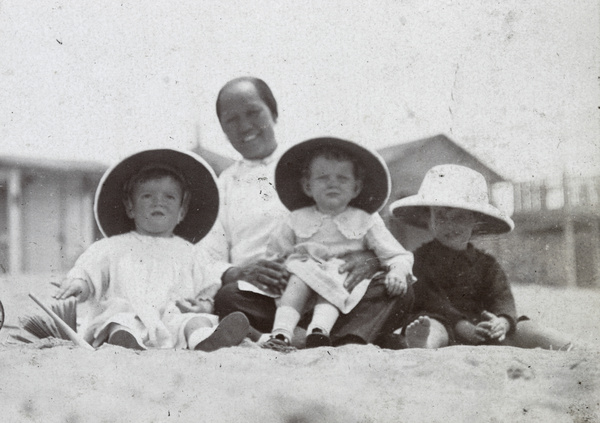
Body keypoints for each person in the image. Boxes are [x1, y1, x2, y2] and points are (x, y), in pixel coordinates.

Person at [199, 77, 414, 346]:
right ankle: (337, 336)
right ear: (222, 129)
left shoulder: (312, 165)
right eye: (232, 119)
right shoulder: (222, 187)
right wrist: (239, 273)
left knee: (399, 291)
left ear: (273, 113)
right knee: (228, 297)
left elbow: (368, 228)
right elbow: (209, 259)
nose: (245, 126)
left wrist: (370, 260)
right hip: (273, 294)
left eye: (254, 112)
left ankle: (323, 338)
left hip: (341, 283)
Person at [53, 148, 250, 351]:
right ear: (130, 207)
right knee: (120, 321)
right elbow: (89, 270)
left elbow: (207, 285)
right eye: (147, 196)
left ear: (182, 211)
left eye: (170, 197)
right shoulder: (112, 247)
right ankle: (123, 342)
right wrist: (80, 284)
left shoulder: (191, 253)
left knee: (195, 321)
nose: (158, 202)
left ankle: (203, 340)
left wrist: (203, 304)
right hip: (130, 314)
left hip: (173, 318)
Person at [389, 164, 573, 350]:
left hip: (484, 327)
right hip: (446, 323)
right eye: (441, 216)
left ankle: (568, 345)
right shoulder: (419, 259)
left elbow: (502, 297)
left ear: (475, 222)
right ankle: (423, 344)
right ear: (428, 220)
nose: (449, 225)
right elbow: (430, 299)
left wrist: (502, 321)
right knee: (432, 327)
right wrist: (463, 326)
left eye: (459, 217)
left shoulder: (487, 264)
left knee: (528, 328)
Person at [263, 137, 415, 350]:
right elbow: (276, 253)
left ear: (356, 187)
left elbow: (396, 254)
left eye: (342, 178)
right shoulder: (295, 218)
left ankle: (319, 332)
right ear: (308, 186)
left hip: (344, 285)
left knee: (392, 289)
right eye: (323, 177)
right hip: (300, 288)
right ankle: (281, 333)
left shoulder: (365, 220)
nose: (332, 183)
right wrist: (277, 268)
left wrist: (397, 271)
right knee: (297, 277)